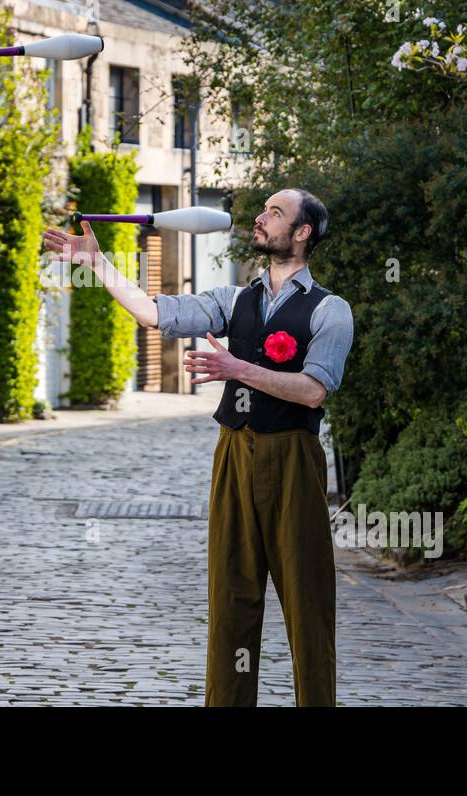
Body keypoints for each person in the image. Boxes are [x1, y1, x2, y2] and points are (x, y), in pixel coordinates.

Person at [41, 188, 354, 706]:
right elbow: (153, 314)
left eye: (275, 213)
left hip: (293, 458)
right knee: (231, 599)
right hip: (233, 454)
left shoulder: (330, 310)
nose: (260, 217)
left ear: (302, 234)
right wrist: (96, 264)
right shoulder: (234, 301)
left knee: (307, 602)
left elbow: (313, 389)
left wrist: (237, 370)